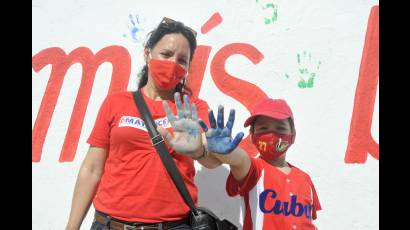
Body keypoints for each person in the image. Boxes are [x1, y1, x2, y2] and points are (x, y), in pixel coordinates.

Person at [65, 17, 221, 230]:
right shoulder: (115, 103)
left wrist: (198, 152)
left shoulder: (193, 108)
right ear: (147, 54)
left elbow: (213, 161)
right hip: (109, 224)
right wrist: (71, 227)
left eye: (182, 60)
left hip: (172, 225)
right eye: (166, 54)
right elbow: (92, 169)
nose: (173, 64)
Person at [198, 98, 322, 230]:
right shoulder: (254, 169)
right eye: (263, 128)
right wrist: (225, 151)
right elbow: (240, 159)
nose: (272, 134)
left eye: (280, 128)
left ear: (293, 135)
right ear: (252, 136)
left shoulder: (305, 179)